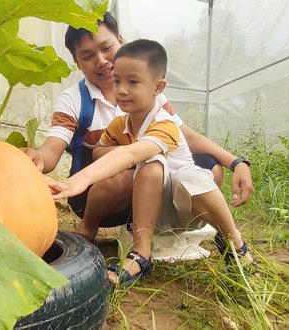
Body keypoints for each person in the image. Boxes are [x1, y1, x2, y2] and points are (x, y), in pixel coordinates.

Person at [23, 12, 253, 242]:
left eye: (106, 48)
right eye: (87, 55)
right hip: (96, 192)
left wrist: (235, 162)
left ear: (121, 42)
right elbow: (52, 149)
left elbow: (185, 136)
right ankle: (88, 227)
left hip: (149, 184)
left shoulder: (149, 92)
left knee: (210, 169)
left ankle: (175, 229)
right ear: (76, 61)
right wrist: (39, 157)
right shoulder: (74, 100)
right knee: (127, 175)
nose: (101, 60)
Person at [46, 39, 254, 286]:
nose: (122, 89)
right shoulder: (120, 123)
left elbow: (130, 154)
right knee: (150, 166)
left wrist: (79, 180)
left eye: (133, 82)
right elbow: (101, 151)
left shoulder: (164, 124)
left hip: (186, 207)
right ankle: (140, 254)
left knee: (181, 173)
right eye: (117, 81)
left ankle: (235, 242)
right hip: (151, 205)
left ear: (158, 87)